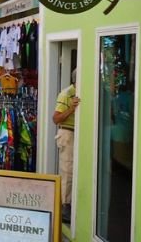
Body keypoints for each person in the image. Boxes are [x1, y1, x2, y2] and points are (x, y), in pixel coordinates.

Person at [52, 69, 79, 223]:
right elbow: (55, 119)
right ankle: (65, 206)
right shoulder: (66, 94)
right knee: (67, 170)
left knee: (74, 170)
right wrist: (71, 109)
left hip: (77, 133)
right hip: (67, 133)